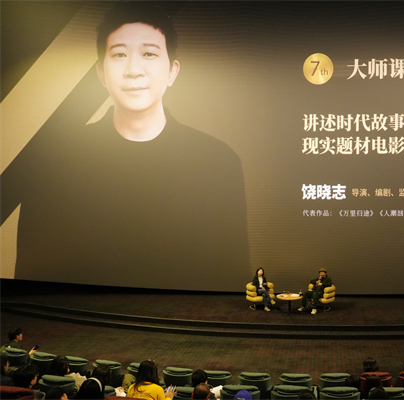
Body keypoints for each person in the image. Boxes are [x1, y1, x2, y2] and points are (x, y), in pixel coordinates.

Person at [0, 1, 250, 292]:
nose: (133, 70)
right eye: (119, 54)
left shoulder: (218, 162)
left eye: (149, 54)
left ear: (172, 71)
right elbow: (31, 284)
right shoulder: (52, 162)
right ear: (101, 74)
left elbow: (233, 283)